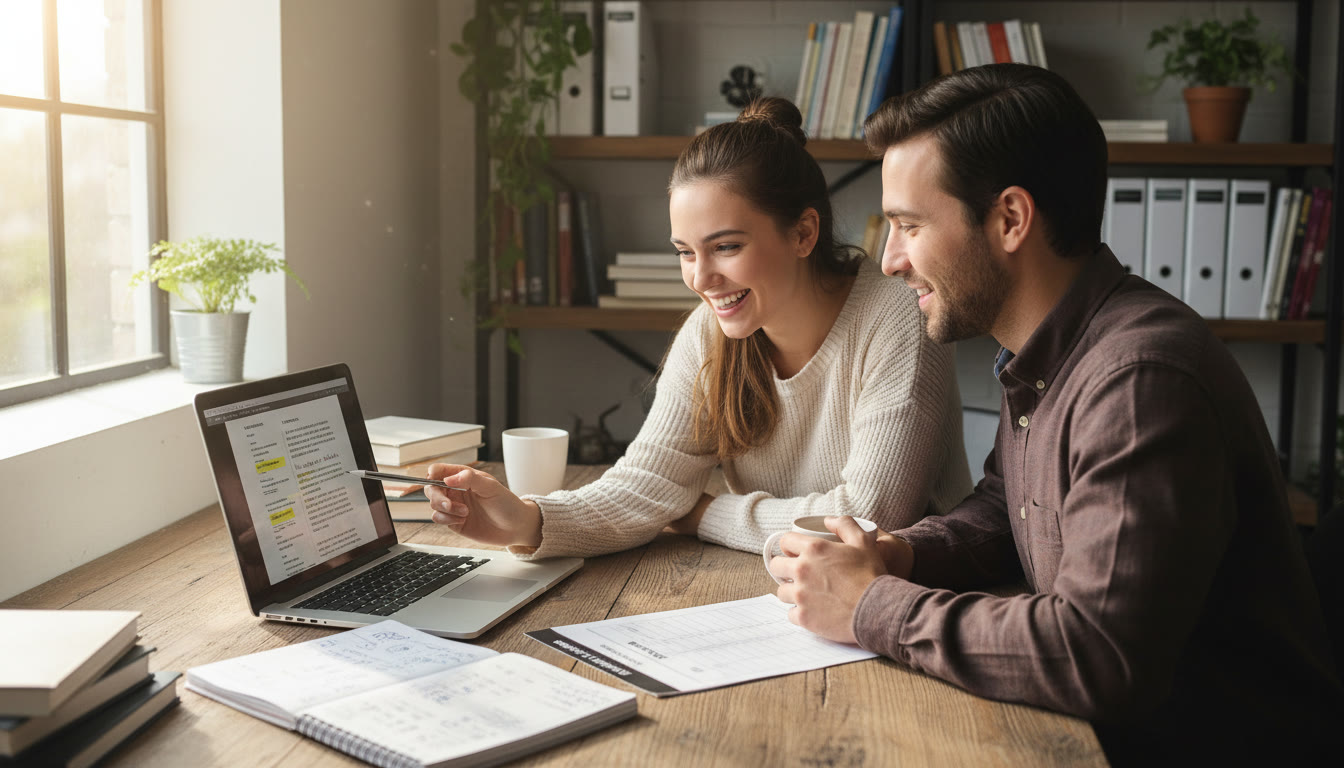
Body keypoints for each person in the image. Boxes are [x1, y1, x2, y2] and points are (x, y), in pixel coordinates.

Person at [770, 64, 1342, 764]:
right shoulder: (1046, 354)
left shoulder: (1138, 382)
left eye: (909, 225)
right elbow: (1007, 508)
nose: (889, 260)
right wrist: (903, 554)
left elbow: (1096, 655)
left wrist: (872, 607)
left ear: (1010, 218)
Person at [424, 97, 971, 560]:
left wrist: (709, 512)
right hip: (776, 583)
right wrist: (525, 520)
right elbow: (649, 484)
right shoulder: (709, 333)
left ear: (804, 233)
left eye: (727, 247)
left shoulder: (896, 315)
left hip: (917, 590)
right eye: (686, 252)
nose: (702, 279)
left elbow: (867, 519)